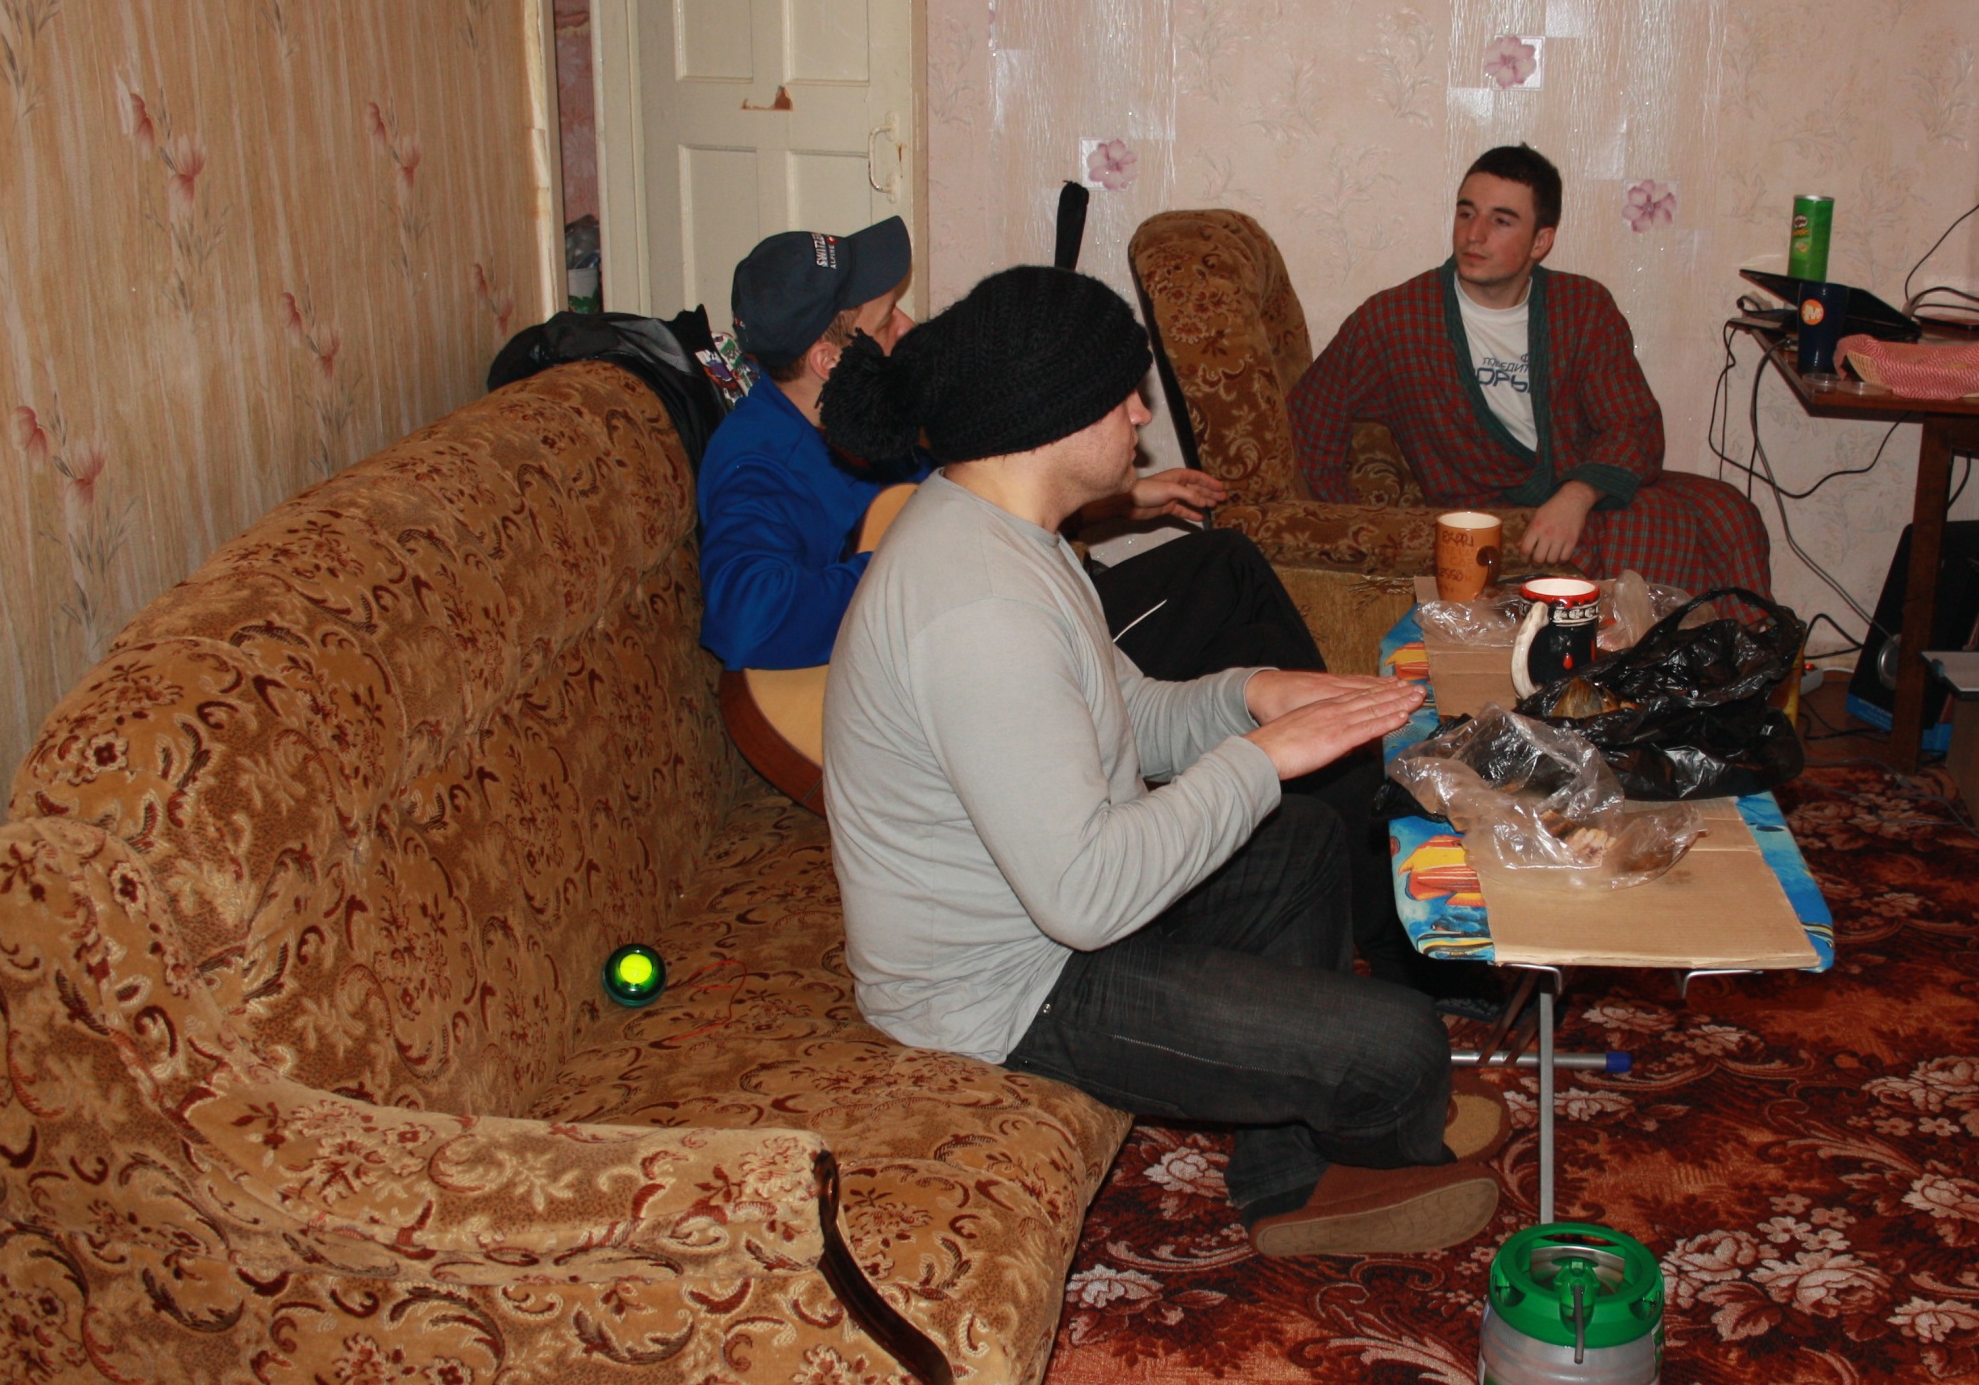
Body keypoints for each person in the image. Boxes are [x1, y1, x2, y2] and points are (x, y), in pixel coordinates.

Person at [818, 264, 1506, 1256]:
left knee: (1306, 839)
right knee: (1402, 1047)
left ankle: (1291, 1170)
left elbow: (1125, 711)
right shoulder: (979, 609)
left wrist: (1253, 694)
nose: (1141, 414)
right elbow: (1086, 897)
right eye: (1121, 395)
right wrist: (1262, 758)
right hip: (1001, 992)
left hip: (1051, 921)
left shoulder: (1014, 533)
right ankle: (1371, 1139)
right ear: (1047, 417)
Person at [697, 216, 1326, 680]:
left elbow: (992, 501)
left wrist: (1120, 499)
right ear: (829, 360)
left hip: (1006, 613)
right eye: (887, 319)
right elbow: (747, 617)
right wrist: (914, 570)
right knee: (1224, 572)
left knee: (1238, 637)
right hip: (970, 657)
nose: (908, 326)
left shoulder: (879, 416)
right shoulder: (757, 459)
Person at [1287, 145, 1771, 594]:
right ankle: (1636, 653)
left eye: (1501, 221)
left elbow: (1633, 423)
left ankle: (1741, 651)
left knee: (1728, 511)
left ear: (1541, 241)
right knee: (1641, 523)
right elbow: (1311, 416)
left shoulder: (1582, 308)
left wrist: (1577, 494)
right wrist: (1347, 519)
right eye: (1466, 213)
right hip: (1486, 510)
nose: (1474, 235)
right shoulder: (1397, 319)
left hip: (1578, 486)